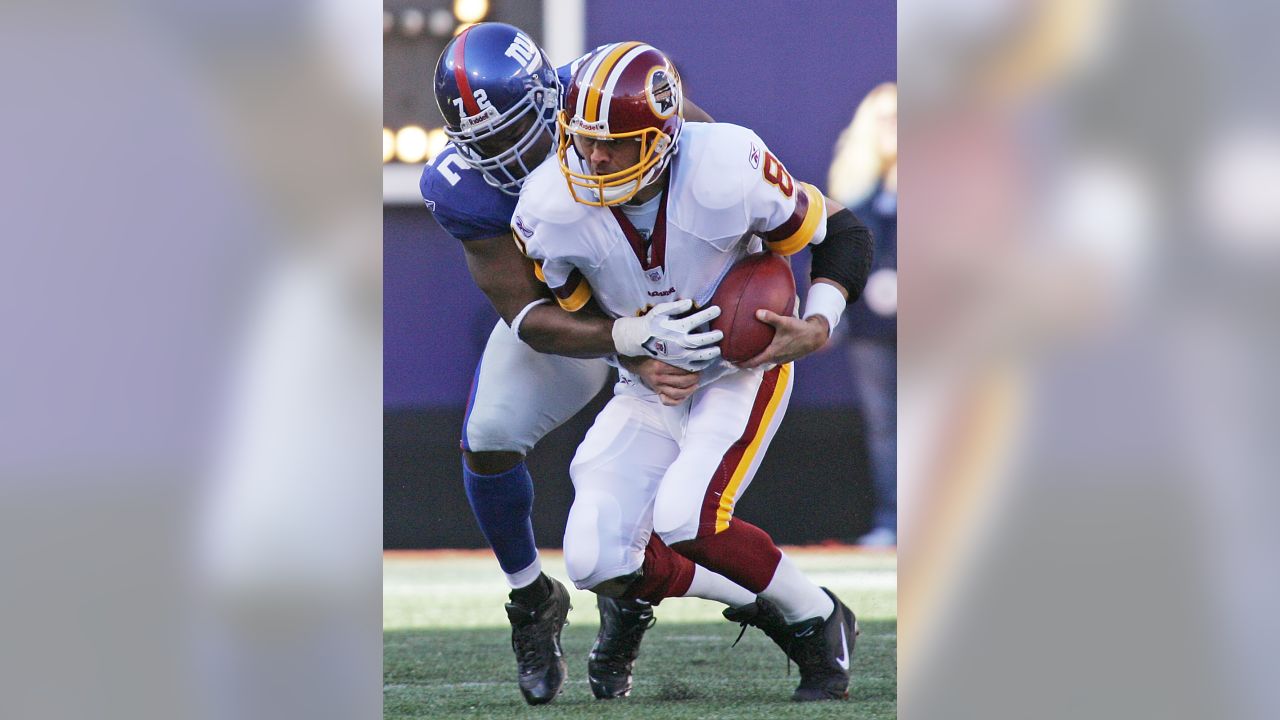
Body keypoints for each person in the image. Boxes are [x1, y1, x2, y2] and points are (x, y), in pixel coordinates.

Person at [512, 43, 874, 701]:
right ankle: (684, 602)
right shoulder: (550, 206)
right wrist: (635, 357)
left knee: (689, 515)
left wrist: (818, 324)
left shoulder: (726, 167)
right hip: (647, 381)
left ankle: (818, 620)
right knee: (598, 560)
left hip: (739, 367)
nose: (593, 157)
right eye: (584, 139)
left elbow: (842, 235)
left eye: (613, 145)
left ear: (661, 135)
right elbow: (577, 316)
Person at [422, 22, 754, 704]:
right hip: (584, 320)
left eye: (514, 131)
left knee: (664, 499)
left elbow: (716, 170)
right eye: (484, 144)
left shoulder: (613, 92)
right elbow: (527, 316)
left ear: (553, 98)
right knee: (487, 439)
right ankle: (530, 598)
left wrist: (714, 307)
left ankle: (629, 601)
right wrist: (627, 337)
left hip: (668, 292)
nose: (505, 157)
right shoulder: (464, 191)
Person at [829, 82, 898, 547]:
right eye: (884, 119)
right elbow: (844, 258)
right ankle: (894, 520)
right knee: (884, 427)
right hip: (874, 330)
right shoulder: (859, 190)